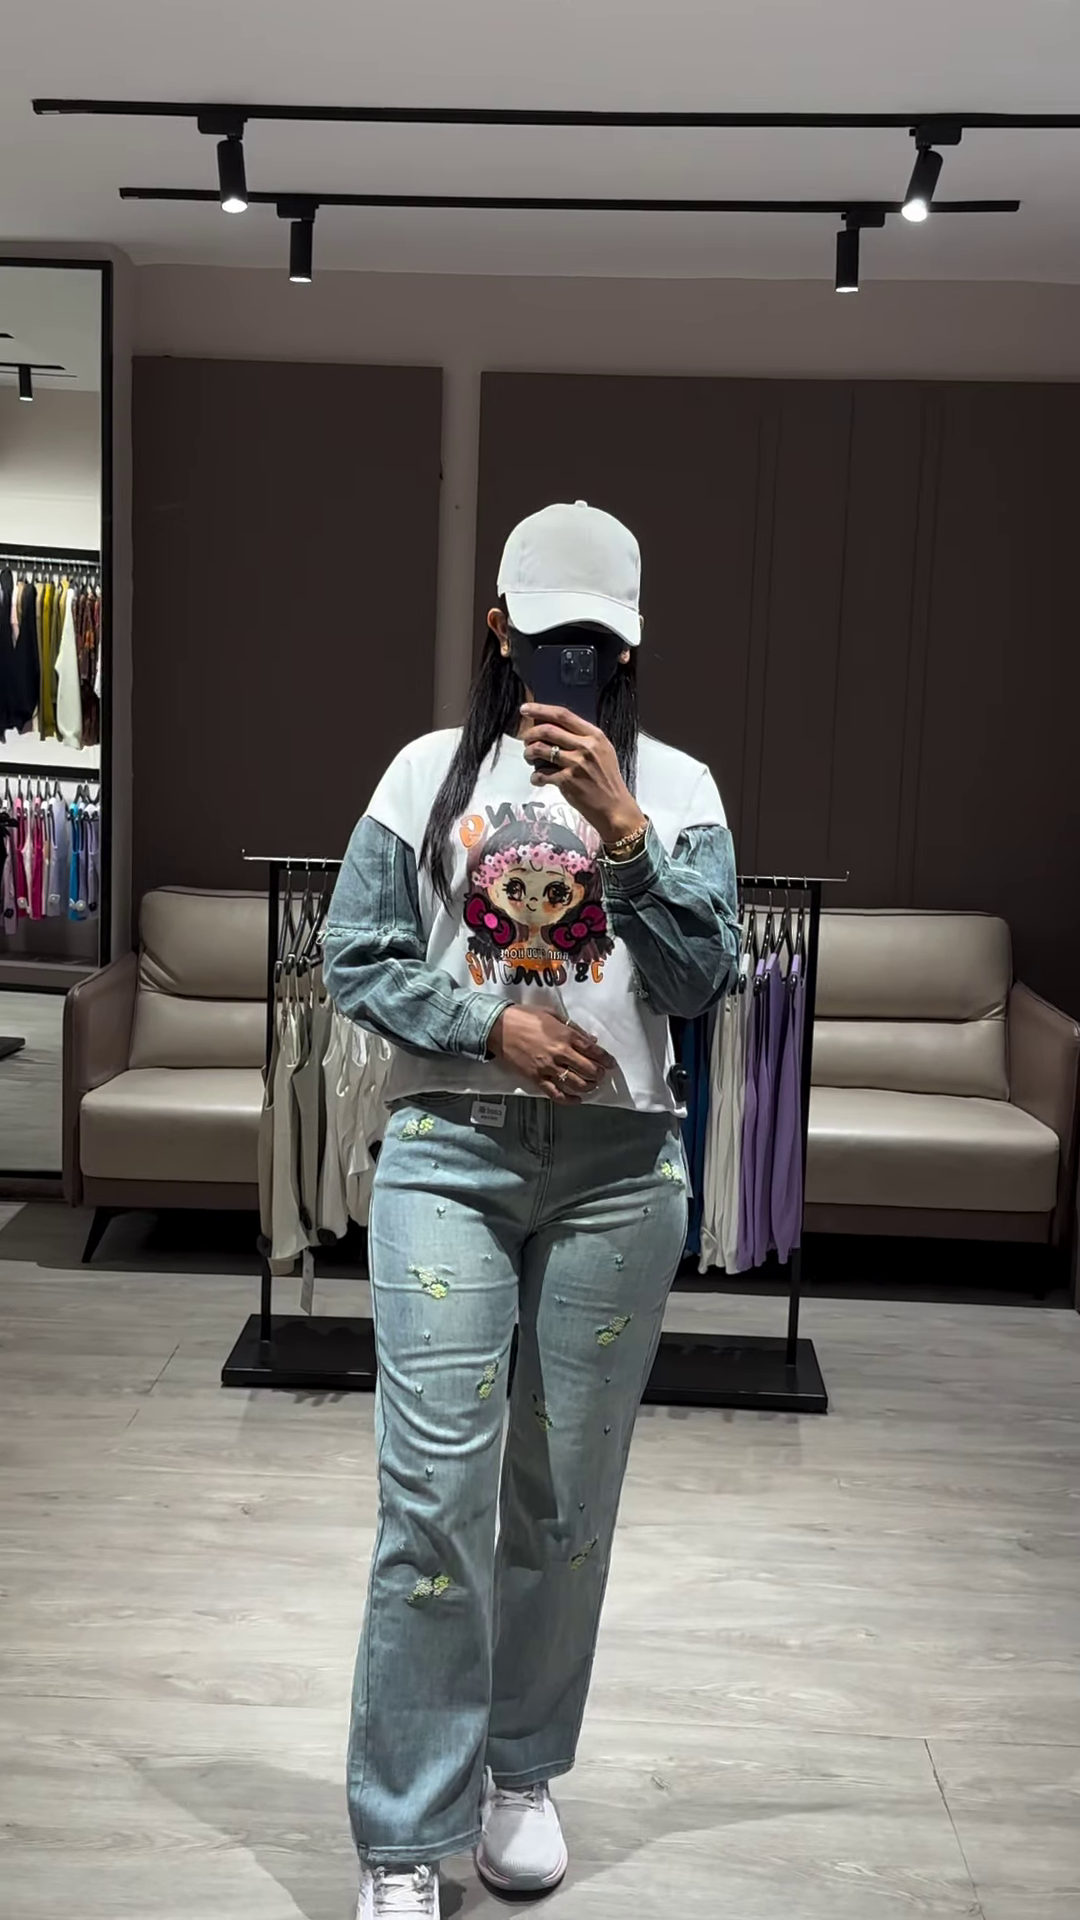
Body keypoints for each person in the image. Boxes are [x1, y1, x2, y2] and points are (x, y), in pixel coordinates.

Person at [324, 500, 740, 1920]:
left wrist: (627, 832)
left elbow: (698, 982)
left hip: (621, 1171)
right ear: (500, 631)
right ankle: (401, 1837)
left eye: (599, 644)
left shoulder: (678, 789)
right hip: (449, 1148)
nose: (576, 664)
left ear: (632, 645)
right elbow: (354, 951)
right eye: (552, 637)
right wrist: (487, 1025)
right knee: (433, 1495)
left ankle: (520, 1775)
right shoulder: (422, 774)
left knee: (565, 1505)